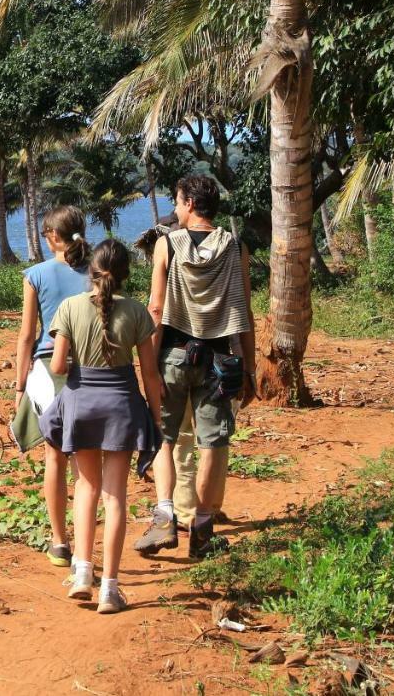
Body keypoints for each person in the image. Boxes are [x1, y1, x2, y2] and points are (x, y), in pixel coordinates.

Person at [135, 175, 255, 560]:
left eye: (176, 200)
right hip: (220, 360)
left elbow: (156, 308)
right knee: (213, 443)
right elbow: (244, 313)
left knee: (164, 437)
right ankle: (202, 528)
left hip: (172, 353)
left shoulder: (166, 244)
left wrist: (149, 369)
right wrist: (250, 368)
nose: (174, 207)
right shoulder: (235, 247)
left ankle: (165, 517)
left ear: (189, 203)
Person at [40, 239, 162, 614]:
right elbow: (150, 374)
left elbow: (58, 367)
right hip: (122, 406)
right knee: (115, 497)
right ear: (125, 274)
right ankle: (109, 588)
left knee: (86, 489)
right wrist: (155, 416)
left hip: (81, 404)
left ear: (91, 271)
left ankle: (81, 573)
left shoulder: (71, 308)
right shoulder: (138, 312)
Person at [11, 207, 92, 568]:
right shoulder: (99, 271)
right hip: (91, 367)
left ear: (53, 237)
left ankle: (60, 542)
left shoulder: (36, 275)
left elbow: (28, 335)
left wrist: (19, 386)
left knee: (54, 456)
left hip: (46, 369)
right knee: (87, 461)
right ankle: (88, 545)